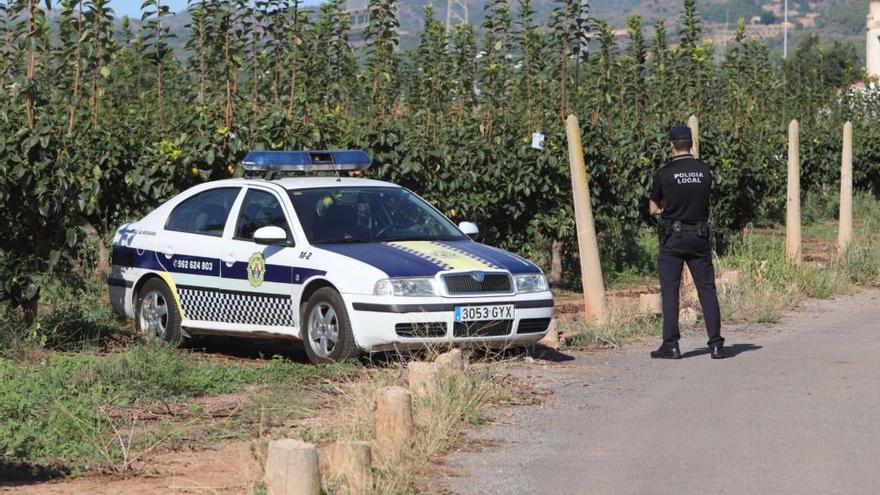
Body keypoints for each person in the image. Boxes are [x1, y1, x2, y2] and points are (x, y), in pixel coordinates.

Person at [648, 126, 724, 359]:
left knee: (671, 291)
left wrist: (665, 210)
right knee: (707, 289)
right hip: (699, 236)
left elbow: (653, 208)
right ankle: (716, 344)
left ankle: (671, 345)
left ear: (671, 145)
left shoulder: (664, 173)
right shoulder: (704, 171)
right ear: (691, 144)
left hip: (673, 237)